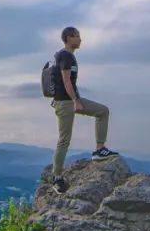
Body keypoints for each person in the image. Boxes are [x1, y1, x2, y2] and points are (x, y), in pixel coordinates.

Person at [50, 26, 119, 194]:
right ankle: (56, 178)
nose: (80, 39)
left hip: (71, 100)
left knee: (103, 111)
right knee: (64, 139)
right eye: (77, 36)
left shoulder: (68, 56)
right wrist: (75, 100)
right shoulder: (65, 55)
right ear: (69, 38)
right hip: (66, 103)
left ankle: (99, 150)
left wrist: (77, 99)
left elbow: (68, 82)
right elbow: (66, 81)